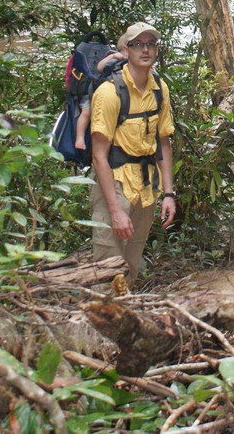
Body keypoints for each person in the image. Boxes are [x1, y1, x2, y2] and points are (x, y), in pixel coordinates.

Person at [89, 22, 176, 285]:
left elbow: (164, 143)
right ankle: (106, 320)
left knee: (132, 266)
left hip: (146, 188)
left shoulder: (159, 88)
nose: (146, 50)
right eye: (138, 44)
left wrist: (169, 194)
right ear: (126, 49)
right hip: (113, 185)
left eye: (151, 44)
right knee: (108, 270)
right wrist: (115, 211)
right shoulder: (109, 92)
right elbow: (98, 156)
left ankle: (127, 319)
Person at [74, 50, 126, 151]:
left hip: (114, 94)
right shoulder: (112, 56)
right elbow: (99, 67)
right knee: (86, 112)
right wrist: (113, 56)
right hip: (93, 91)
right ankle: (79, 138)